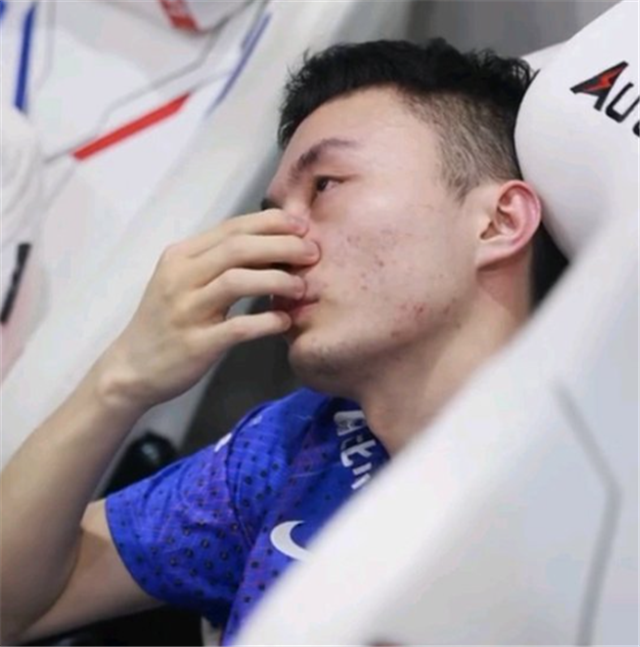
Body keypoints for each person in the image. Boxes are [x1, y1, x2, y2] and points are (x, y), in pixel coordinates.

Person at [0, 38, 567, 645]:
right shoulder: (295, 445)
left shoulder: (589, 489)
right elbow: (15, 606)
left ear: (499, 222)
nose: (276, 240)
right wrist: (121, 380)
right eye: (273, 210)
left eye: (325, 185)